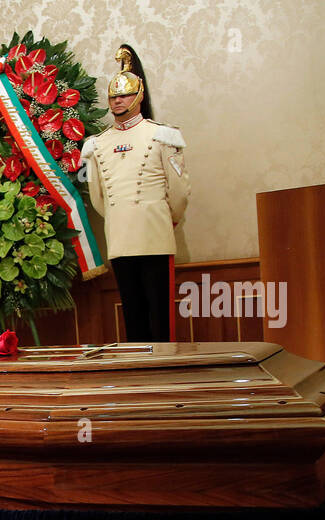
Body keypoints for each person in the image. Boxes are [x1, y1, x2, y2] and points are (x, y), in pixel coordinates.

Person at [82, 44, 189, 342]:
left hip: (155, 234)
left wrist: (170, 219)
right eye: (114, 96)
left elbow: (178, 192)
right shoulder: (97, 144)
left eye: (125, 95)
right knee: (133, 318)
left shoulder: (162, 135)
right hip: (120, 237)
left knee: (161, 319)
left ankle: (164, 375)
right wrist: (123, 216)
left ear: (139, 95)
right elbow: (98, 197)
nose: (118, 101)